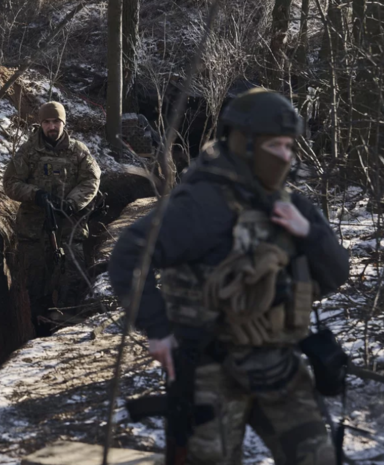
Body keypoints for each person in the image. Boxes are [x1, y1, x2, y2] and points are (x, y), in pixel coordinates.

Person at [108, 88, 350, 464]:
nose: (287, 157)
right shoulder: (201, 204)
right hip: (209, 370)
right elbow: (127, 255)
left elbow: (336, 273)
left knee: (318, 457)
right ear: (246, 144)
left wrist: (309, 232)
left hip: (277, 364)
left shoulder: (289, 203)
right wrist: (157, 330)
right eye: (278, 147)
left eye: (291, 147)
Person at [3, 102, 102, 335]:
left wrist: (71, 203)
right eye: (47, 122)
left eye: (56, 122)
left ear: (63, 123)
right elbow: (10, 183)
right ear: (41, 124)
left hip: (69, 228)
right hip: (35, 231)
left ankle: (68, 330)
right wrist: (36, 195)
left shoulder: (78, 151)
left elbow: (91, 180)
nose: (51, 126)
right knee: (37, 285)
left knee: (73, 281)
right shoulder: (28, 152)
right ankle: (41, 332)